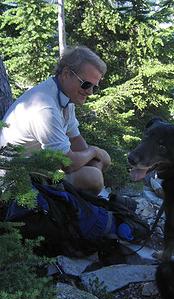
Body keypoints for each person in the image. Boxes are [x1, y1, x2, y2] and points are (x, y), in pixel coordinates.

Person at [0, 46, 111, 195]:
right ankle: (68, 209)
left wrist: (94, 158)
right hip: (14, 177)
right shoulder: (44, 108)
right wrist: (93, 152)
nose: (90, 92)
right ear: (66, 74)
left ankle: (75, 204)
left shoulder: (65, 96)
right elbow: (67, 163)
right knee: (93, 178)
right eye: (86, 84)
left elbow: (76, 141)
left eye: (94, 87)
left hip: (37, 166)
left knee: (102, 159)